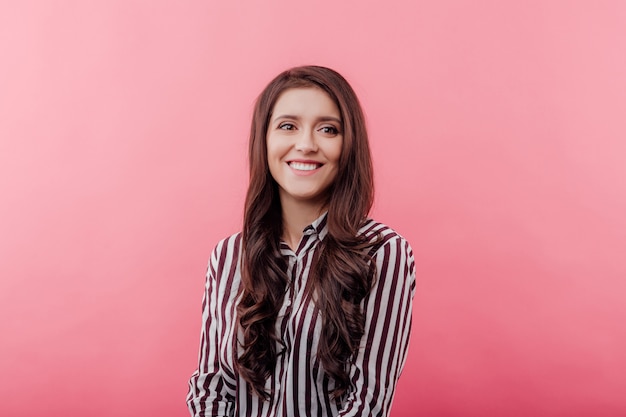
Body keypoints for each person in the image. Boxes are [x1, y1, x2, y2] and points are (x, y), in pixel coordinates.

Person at [186, 65, 416, 417]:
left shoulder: (383, 252)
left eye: (328, 129)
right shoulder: (229, 255)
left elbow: (367, 405)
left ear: (348, 144)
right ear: (264, 140)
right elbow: (211, 390)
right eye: (288, 126)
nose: (306, 144)